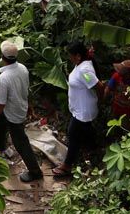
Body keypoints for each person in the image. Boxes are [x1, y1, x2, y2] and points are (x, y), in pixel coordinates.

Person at [0, 41, 43, 183]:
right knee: (1, 126)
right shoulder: (23, 68)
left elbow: (1, 103)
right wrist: (29, 107)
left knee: (21, 143)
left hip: (13, 114)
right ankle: (0, 147)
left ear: (2, 57)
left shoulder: (4, 78)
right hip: (19, 107)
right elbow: (25, 90)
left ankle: (35, 171)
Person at [54, 41, 102, 177]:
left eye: (71, 55)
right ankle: (93, 151)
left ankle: (67, 166)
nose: (69, 58)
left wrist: (100, 100)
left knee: (72, 135)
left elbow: (98, 86)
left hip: (84, 111)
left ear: (78, 56)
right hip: (80, 109)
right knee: (86, 131)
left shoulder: (84, 70)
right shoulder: (80, 65)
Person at [106, 59, 130, 127]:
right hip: (116, 107)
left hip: (127, 112)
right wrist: (105, 99)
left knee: (124, 128)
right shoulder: (116, 76)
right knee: (114, 126)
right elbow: (108, 89)